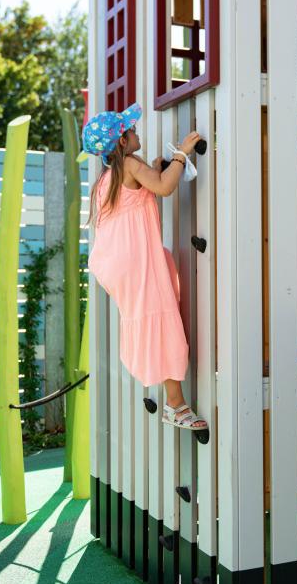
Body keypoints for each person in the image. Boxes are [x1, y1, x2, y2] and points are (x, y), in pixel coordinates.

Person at [83, 103, 207, 431]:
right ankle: (176, 405)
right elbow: (165, 187)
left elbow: (150, 187)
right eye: (131, 130)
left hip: (118, 265)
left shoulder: (107, 179)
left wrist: (158, 168)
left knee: (153, 317)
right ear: (122, 142)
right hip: (137, 263)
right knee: (162, 320)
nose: (137, 132)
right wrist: (182, 154)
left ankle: (174, 401)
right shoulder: (130, 164)